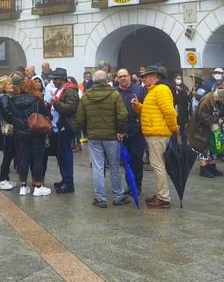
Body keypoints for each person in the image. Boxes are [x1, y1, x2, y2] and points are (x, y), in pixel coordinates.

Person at [75, 70, 129, 208]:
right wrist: (120, 131)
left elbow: (80, 118)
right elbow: (122, 115)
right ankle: (118, 196)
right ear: (106, 80)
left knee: (98, 168)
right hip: (111, 137)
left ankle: (101, 198)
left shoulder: (86, 96)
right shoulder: (114, 94)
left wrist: (87, 132)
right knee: (115, 167)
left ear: (94, 80)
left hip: (94, 137)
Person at [132, 66, 178, 209]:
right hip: (154, 132)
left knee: (157, 165)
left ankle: (163, 197)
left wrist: (173, 128)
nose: (144, 79)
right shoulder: (153, 90)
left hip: (158, 134)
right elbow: (150, 110)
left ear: (156, 77)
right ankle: (160, 194)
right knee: (157, 164)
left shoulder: (161, 90)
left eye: (146, 76)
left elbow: (169, 112)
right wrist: (138, 106)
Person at [9, 75, 52, 196]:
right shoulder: (37, 101)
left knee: (24, 158)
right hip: (37, 133)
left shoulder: (14, 101)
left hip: (21, 134)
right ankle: (37, 186)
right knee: (37, 158)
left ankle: (23, 186)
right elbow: (49, 115)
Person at [189, 82, 224, 178]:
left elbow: (219, 112)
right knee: (203, 148)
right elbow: (203, 117)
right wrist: (218, 116)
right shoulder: (206, 100)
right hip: (201, 129)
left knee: (212, 148)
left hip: (211, 128)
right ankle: (203, 168)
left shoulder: (219, 99)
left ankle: (211, 167)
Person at [115, 68, 146, 193]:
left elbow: (147, 108)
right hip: (122, 131)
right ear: (117, 78)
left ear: (129, 77)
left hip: (137, 129)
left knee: (137, 158)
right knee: (126, 160)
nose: (123, 78)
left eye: (125, 75)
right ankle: (130, 185)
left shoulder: (139, 90)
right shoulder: (115, 92)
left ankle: (137, 185)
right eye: (120, 76)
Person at [50, 68, 79, 194]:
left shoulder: (71, 91)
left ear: (63, 79)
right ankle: (64, 179)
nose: (54, 81)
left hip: (66, 127)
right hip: (59, 126)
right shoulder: (61, 89)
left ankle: (68, 183)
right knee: (61, 155)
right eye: (53, 79)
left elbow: (71, 109)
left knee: (66, 155)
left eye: (56, 79)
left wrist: (56, 104)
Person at [0, 75, 18, 190]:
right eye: (9, 84)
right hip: (5, 131)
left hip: (1, 130)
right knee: (8, 154)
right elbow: (8, 114)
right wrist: (17, 120)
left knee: (9, 154)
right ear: (3, 86)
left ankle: (6, 179)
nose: (11, 85)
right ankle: (2, 180)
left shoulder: (2, 97)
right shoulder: (4, 98)